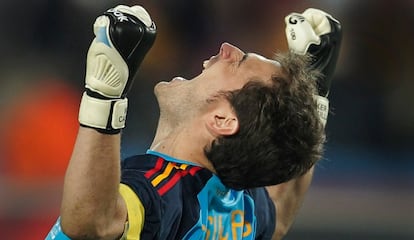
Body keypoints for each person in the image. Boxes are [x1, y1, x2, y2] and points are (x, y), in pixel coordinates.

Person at [46, 4, 341, 240]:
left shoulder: (165, 189)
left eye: (238, 62)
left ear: (223, 119)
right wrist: (316, 95)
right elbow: (280, 213)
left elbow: (90, 224)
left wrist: (105, 94)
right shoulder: (242, 208)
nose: (227, 48)